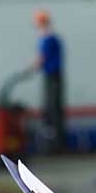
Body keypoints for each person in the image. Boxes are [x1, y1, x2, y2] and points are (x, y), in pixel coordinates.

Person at [33, 10, 65, 153]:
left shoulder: (49, 39)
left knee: (53, 109)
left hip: (53, 77)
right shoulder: (47, 38)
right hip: (50, 75)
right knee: (50, 109)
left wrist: (33, 66)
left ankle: (56, 143)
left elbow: (42, 58)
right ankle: (53, 141)